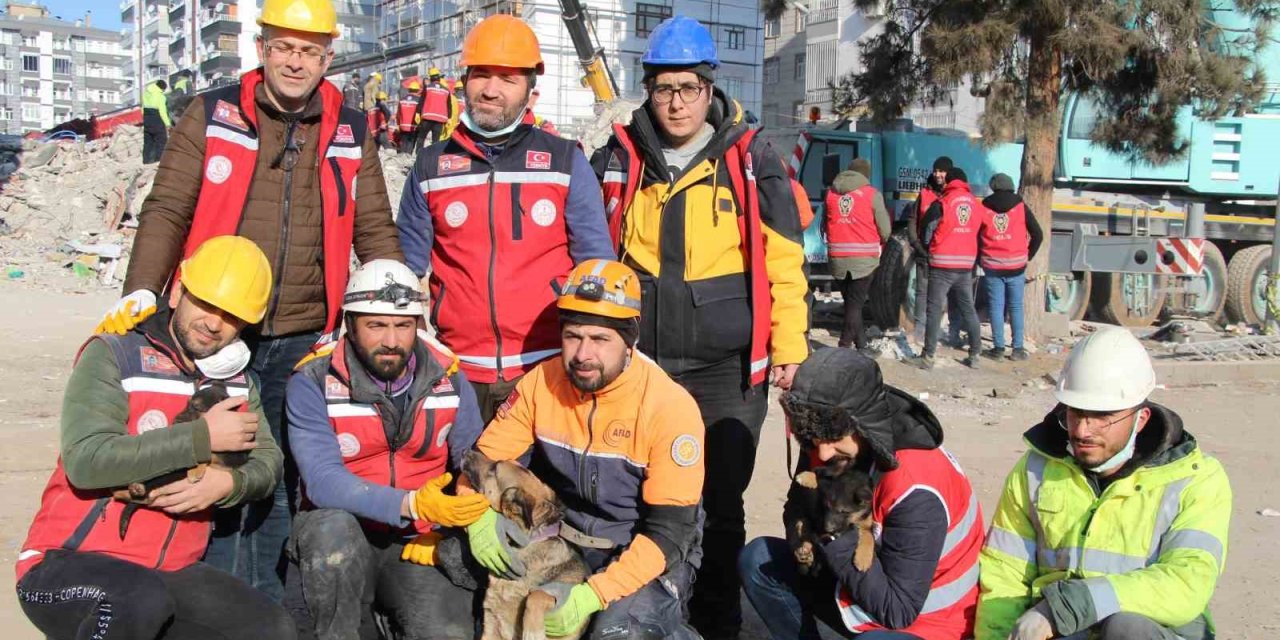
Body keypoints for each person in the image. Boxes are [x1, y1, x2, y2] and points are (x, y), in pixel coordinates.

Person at [94, 0, 404, 600]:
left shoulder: (352, 128)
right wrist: (141, 290)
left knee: (279, 475)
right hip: (218, 327)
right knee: (205, 468)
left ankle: (265, 609)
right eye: (285, 47)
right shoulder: (211, 114)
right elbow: (167, 208)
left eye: (309, 51)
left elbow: (374, 226)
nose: (296, 61)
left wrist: (395, 306)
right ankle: (203, 602)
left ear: (327, 58)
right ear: (262, 48)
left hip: (303, 335)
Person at [591, 16, 808, 637]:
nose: (677, 102)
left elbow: (785, 262)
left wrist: (789, 348)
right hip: (647, 365)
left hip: (727, 371)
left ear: (710, 89)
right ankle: (651, 614)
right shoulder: (622, 155)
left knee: (720, 502)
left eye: (689, 88)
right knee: (644, 496)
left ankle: (716, 621)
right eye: (664, 89)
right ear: (648, 90)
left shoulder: (751, 158)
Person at [15, 236, 295, 640]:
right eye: (206, 304)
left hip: (171, 570)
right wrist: (200, 437)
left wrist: (229, 483)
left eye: (232, 316)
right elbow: (86, 460)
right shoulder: (114, 354)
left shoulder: (237, 382)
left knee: (271, 628)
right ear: (179, 288)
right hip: (68, 562)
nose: (214, 323)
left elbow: (268, 464)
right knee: (137, 602)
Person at [469, 258, 705, 640]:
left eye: (600, 339)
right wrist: (476, 515)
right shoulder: (540, 383)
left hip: (643, 552)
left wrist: (593, 595)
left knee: (616, 633)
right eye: (573, 336)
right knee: (455, 565)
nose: (583, 354)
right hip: (564, 542)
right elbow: (484, 462)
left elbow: (668, 534)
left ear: (630, 341)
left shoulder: (669, 406)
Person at [397, 14, 614, 423]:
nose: (491, 91)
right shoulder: (430, 166)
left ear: (531, 89)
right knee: (463, 483)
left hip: (547, 368)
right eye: (481, 75)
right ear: (464, 81)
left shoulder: (565, 160)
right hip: (457, 369)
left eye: (508, 78)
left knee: (542, 488)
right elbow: (405, 270)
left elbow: (596, 268)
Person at [976, 327, 1231, 640]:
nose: (1083, 430)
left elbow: (1186, 582)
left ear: (1141, 418)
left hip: (1152, 632)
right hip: (1062, 628)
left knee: (1125, 628)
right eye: (1075, 413)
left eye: (1102, 416)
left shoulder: (1195, 479)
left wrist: (1067, 606)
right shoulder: (1034, 470)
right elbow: (1005, 573)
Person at [283, 260, 486, 640]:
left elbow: (473, 459)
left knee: (444, 633)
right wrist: (412, 504)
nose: (391, 340)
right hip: (342, 530)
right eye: (376, 325)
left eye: (403, 325)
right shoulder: (313, 379)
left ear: (418, 326)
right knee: (333, 534)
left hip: (419, 538)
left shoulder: (450, 377)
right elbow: (322, 481)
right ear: (351, 325)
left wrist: (460, 507)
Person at [740, 347, 983, 640]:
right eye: (814, 441)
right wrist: (801, 539)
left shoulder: (916, 485)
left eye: (832, 440)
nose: (823, 452)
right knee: (758, 559)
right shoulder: (824, 439)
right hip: (855, 589)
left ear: (863, 422)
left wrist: (833, 531)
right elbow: (797, 507)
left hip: (923, 625)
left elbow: (898, 612)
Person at [911, 166, 982, 370]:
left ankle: (928, 356)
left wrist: (926, 248)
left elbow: (927, 228)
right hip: (965, 265)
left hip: (942, 264)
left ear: (949, 182)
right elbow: (981, 230)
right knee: (968, 308)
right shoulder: (976, 204)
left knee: (933, 310)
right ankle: (975, 354)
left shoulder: (943, 202)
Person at [824, 157, 889, 353]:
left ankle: (862, 346)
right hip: (863, 260)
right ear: (865, 175)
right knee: (855, 306)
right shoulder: (871, 194)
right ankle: (843, 347)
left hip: (837, 258)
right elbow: (885, 230)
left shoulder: (831, 194)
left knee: (852, 304)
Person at [978, 173, 1043, 361]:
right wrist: (1027, 255)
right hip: (1016, 265)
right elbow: (1038, 234)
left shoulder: (984, 207)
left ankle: (998, 349)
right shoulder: (1020, 206)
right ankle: (1017, 349)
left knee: (996, 307)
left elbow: (976, 234)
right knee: (1015, 306)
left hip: (992, 264)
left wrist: (981, 256)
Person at [906, 156, 950, 337]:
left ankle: (937, 330)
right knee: (921, 292)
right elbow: (912, 220)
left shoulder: (952, 195)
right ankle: (919, 329)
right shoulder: (924, 194)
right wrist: (916, 243)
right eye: (936, 170)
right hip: (924, 253)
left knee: (941, 294)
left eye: (941, 171)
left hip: (945, 255)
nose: (937, 174)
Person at [418, 66, 454, 146]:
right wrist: (449, 118)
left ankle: (418, 154)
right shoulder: (446, 90)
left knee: (421, 137)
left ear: (431, 78)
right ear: (439, 78)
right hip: (440, 120)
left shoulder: (427, 88)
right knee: (436, 141)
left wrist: (418, 113)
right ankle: (434, 157)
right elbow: (449, 106)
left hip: (427, 118)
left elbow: (421, 102)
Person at [142, 78, 171, 164]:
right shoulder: (161, 97)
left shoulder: (146, 93)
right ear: (162, 88)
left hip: (147, 117)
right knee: (161, 140)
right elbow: (162, 111)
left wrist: (144, 118)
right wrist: (168, 124)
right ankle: (159, 160)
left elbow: (142, 107)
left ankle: (146, 161)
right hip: (156, 118)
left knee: (148, 142)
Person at [396, 79, 423, 154]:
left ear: (409, 89)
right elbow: (421, 113)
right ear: (418, 90)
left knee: (403, 143)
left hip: (403, 126)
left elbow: (398, 114)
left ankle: (401, 158)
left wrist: (398, 124)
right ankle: (407, 158)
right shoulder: (419, 100)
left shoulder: (402, 100)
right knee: (410, 144)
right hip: (413, 126)